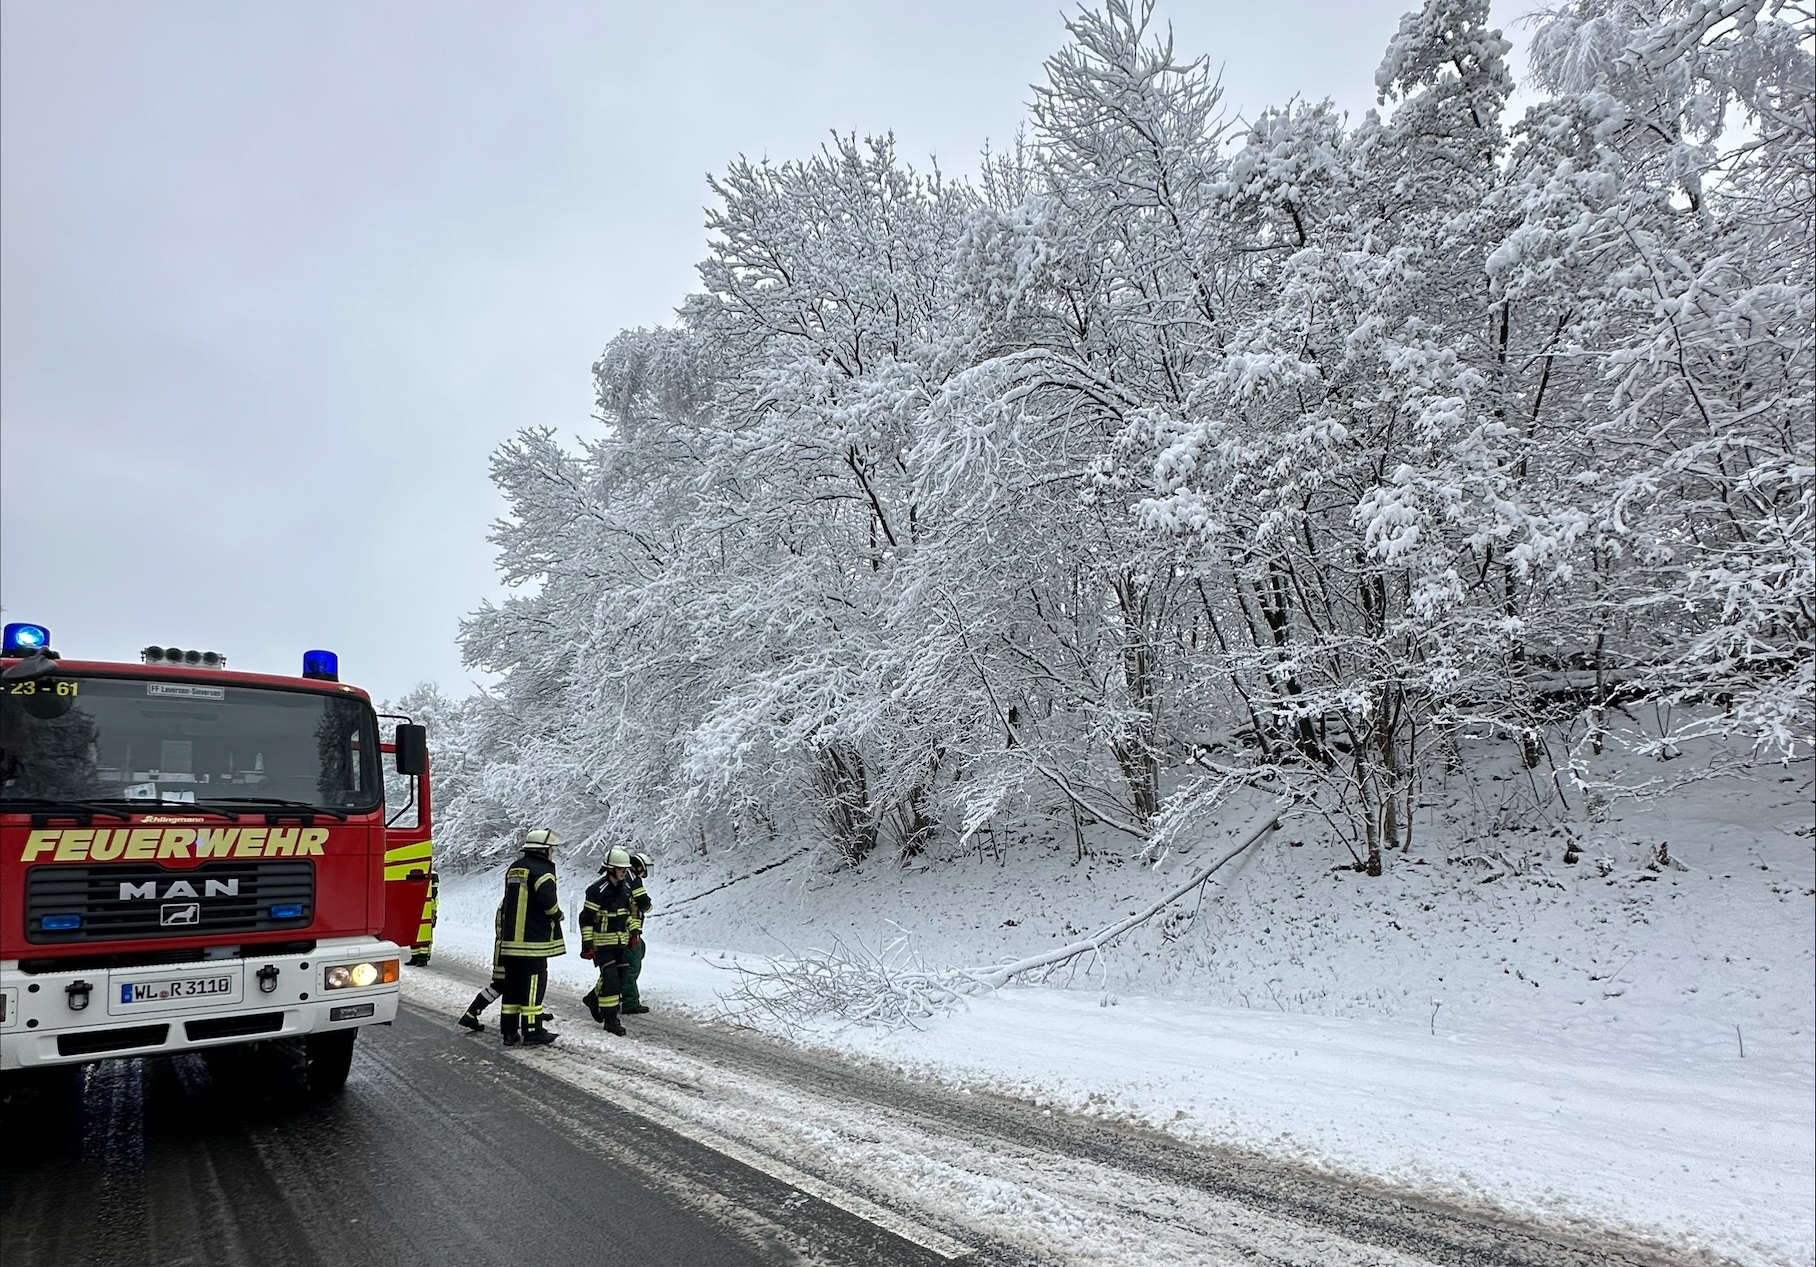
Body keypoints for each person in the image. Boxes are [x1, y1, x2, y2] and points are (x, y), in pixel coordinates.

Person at [496, 827, 567, 1046]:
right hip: (532, 942)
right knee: (534, 985)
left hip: (511, 941)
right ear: (544, 850)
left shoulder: (515, 868)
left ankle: (509, 1031)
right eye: (551, 849)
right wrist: (558, 914)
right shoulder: (543, 870)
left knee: (513, 986)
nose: (552, 853)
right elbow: (547, 901)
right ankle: (533, 1030)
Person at [578, 847, 634, 1036]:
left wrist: (633, 932)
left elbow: (630, 915)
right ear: (610, 869)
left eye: (626, 869)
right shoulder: (596, 890)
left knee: (623, 976)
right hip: (601, 944)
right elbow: (585, 919)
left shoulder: (626, 889)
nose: (624, 872)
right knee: (610, 978)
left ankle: (593, 999)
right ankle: (611, 1020)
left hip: (621, 942)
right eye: (621, 869)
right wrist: (587, 944)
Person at [455, 903, 507, 1032]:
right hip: (508, 953)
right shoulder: (512, 901)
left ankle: (471, 1014)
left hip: (502, 952)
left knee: (499, 986)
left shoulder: (506, 901)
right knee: (504, 986)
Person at [621, 851, 654, 1015]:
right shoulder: (634, 880)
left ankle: (609, 996)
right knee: (631, 966)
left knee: (621, 964)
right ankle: (629, 1002)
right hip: (629, 930)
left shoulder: (622, 878)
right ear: (639, 866)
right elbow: (645, 903)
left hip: (622, 930)